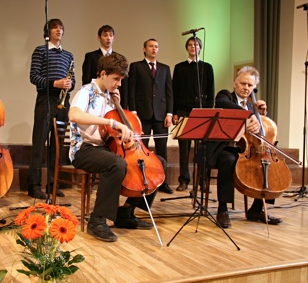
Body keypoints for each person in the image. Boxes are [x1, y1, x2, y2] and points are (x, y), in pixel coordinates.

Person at [69, 53, 168, 242]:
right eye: (116, 79)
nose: (119, 84)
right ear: (103, 74)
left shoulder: (110, 96)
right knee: (116, 164)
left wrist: (118, 109)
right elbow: (74, 115)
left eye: (121, 80)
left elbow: (111, 131)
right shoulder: (86, 91)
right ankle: (97, 221)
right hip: (84, 149)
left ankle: (126, 213)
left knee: (157, 163)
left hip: (104, 148)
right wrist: (112, 123)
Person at [203, 66, 282, 228]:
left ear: (254, 88)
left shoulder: (254, 107)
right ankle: (223, 209)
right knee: (228, 160)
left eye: (250, 85)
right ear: (235, 84)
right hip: (223, 149)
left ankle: (257, 209)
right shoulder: (225, 96)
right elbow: (222, 104)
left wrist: (263, 116)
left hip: (247, 151)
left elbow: (267, 132)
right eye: (243, 83)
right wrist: (251, 115)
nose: (246, 88)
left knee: (266, 164)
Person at [27, 18, 75, 199]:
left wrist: (69, 85)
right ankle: (34, 185)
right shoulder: (40, 51)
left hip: (62, 102)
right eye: (55, 28)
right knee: (39, 144)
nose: (59, 30)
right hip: (45, 99)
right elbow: (34, 77)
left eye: (61, 28)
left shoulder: (68, 55)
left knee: (58, 145)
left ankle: (53, 184)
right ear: (47, 31)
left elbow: (74, 79)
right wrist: (54, 83)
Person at [128, 38, 174, 194]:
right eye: (151, 46)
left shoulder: (165, 68)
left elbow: (169, 92)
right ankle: (143, 179)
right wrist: (133, 111)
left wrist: (169, 113)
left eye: (156, 46)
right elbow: (131, 90)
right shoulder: (136, 66)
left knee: (162, 150)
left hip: (161, 114)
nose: (154, 49)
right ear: (144, 49)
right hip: (142, 113)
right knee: (142, 148)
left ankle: (163, 182)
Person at [172, 36, 215, 192]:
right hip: (183, 110)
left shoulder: (207, 67)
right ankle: (184, 180)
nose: (193, 47)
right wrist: (175, 112)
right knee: (184, 148)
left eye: (196, 44)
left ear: (200, 48)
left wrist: (209, 112)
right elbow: (174, 90)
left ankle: (202, 181)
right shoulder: (179, 67)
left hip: (201, 112)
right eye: (190, 45)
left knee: (201, 148)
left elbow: (211, 91)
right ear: (187, 48)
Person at [82, 25, 128, 108]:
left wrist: (123, 107)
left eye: (111, 35)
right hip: (96, 97)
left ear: (113, 38)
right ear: (99, 38)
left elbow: (123, 85)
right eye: (105, 35)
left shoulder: (120, 58)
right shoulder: (90, 56)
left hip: (114, 97)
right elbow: (86, 79)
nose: (108, 38)